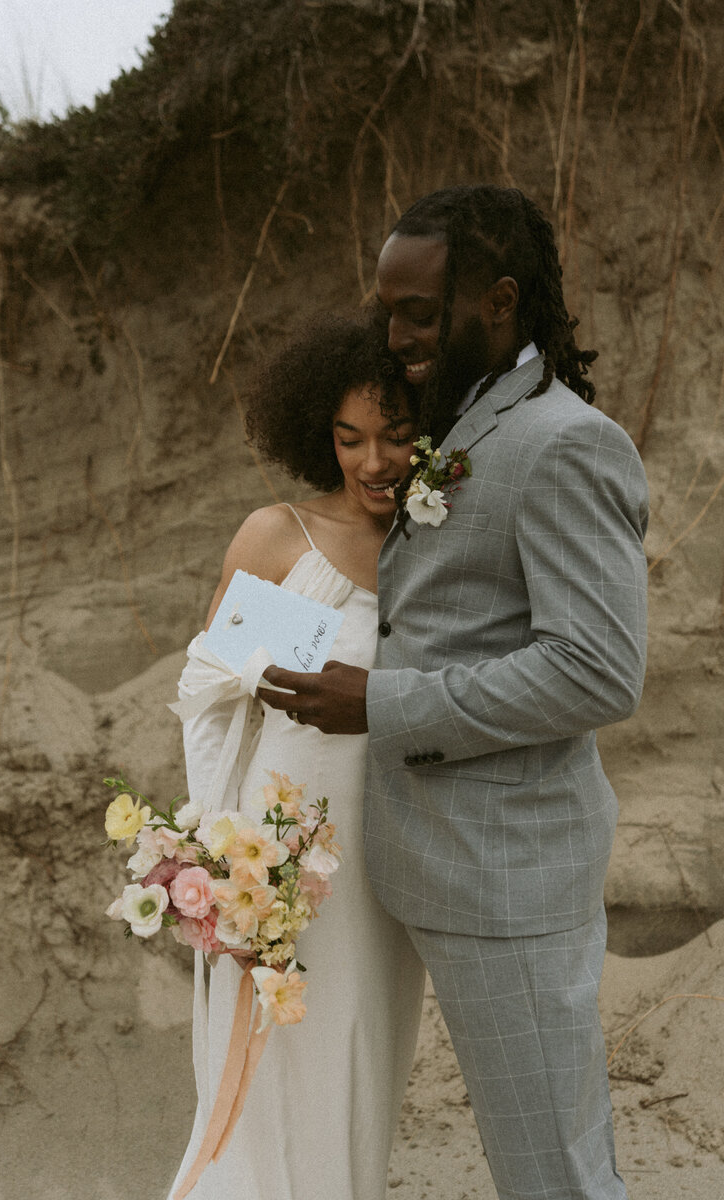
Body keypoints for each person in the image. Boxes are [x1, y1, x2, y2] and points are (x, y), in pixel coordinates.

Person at [259, 186, 649, 1200]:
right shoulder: (458, 418)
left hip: (504, 877)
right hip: (419, 862)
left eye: (417, 313)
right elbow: (407, 607)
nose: (391, 336)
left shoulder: (563, 442)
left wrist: (381, 703)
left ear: (500, 302)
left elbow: (596, 668)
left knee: (550, 1172)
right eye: (384, 309)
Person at [166, 316, 426, 1200]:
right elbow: (213, 692)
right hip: (286, 862)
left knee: (359, 1065)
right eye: (351, 438)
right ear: (322, 434)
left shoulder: (439, 552)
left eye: (398, 435)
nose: (376, 461)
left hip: (390, 861)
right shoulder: (287, 541)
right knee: (268, 1073)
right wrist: (221, 850)